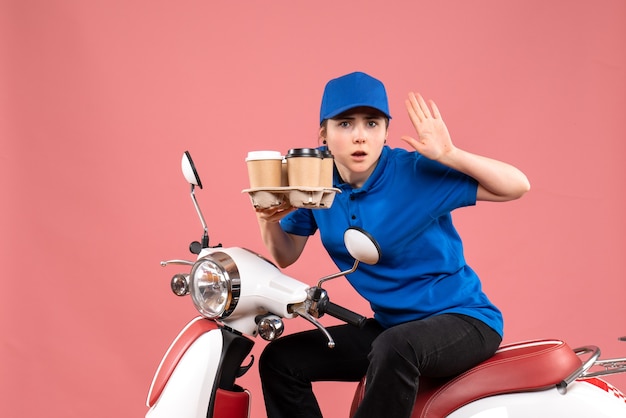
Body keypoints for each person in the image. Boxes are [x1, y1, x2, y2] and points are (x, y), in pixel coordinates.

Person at [254, 71, 530, 418]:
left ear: (385, 131)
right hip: (392, 329)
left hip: (465, 322)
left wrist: (449, 153)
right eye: (344, 124)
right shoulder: (316, 184)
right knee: (282, 360)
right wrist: (267, 218)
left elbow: (517, 185)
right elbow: (286, 254)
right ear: (322, 133)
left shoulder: (415, 172)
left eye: (371, 123)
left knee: (395, 347)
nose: (359, 137)